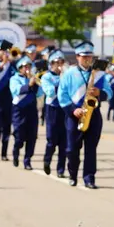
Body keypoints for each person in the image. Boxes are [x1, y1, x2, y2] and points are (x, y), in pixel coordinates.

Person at [57, 41, 113, 188]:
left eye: (90, 56)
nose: (87, 59)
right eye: (84, 56)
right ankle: (73, 174)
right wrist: (72, 110)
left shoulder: (99, 74)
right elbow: (62, 95)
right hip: (74, 115)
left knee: (91, 149)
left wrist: (100, 93)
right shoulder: (69, 74)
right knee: (72, 149)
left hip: (93, 115)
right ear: (77, 57)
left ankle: (89, 178)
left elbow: (110, 92)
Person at [9, 55, 43, 169]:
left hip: (32, 109)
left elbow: (39, 94)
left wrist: (35, 84)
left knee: (32, 136)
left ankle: (27, 160)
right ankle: (16, 152)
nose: (27, 69)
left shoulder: (33, 78)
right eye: (24, 66)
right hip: (19, 109)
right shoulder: (15, 78)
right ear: (19, 68)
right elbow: (16, 90)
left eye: (29, 66)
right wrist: (29, 84)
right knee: (19, 135)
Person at [40, 49, 67, 177]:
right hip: (52, 109)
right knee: (52, 140)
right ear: (51, 64)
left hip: (65, 109)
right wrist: (62, 82)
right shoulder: (46, 77)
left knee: (64, 141)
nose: (59, 65)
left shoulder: (66, 76)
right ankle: (47, 161)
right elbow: (50, 91)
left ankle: (60, 169)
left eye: (61, 62)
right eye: (56, 62)